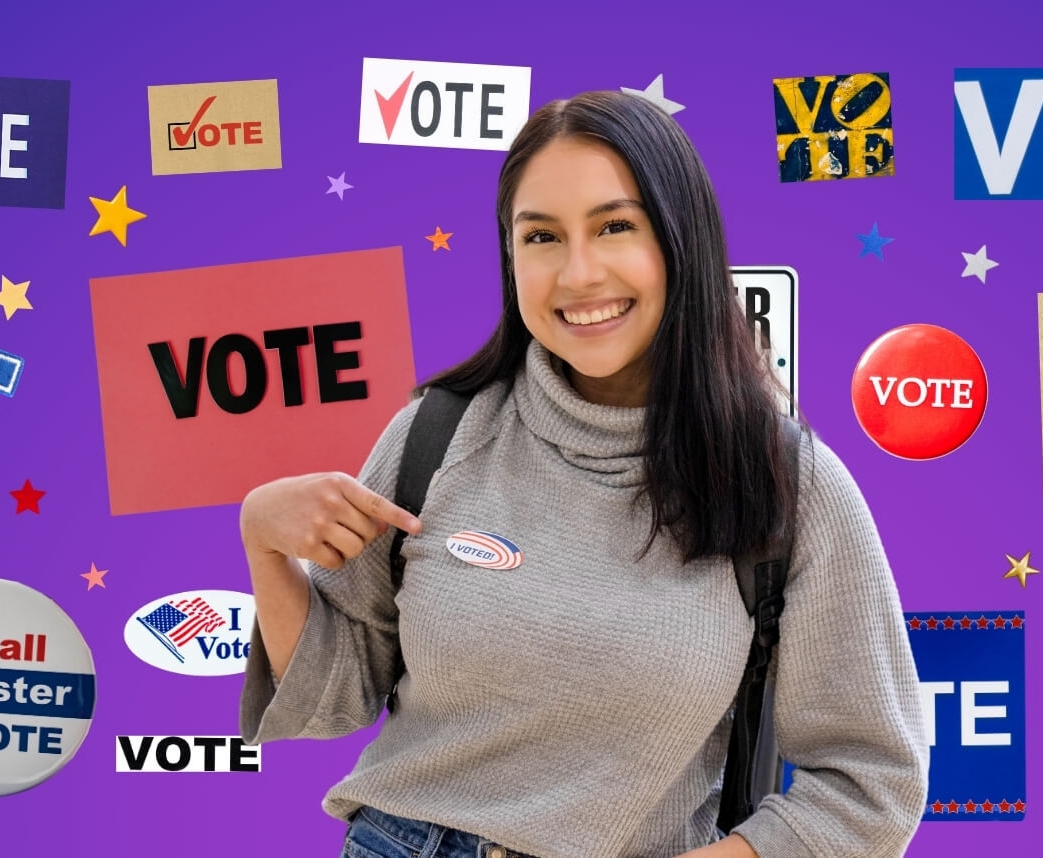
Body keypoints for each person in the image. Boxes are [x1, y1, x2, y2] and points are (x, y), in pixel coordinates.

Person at [237, 90, 928, 858]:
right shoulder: (438, 431)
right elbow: (333, 697)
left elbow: (873, 785)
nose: (578, 272)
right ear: (510, 256)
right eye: (541, 237)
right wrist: (265, 543)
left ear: (681, 241)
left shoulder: (787, 484)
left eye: (615, 226)